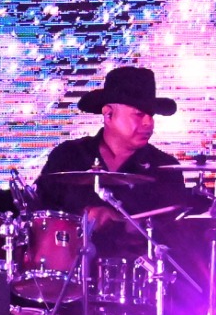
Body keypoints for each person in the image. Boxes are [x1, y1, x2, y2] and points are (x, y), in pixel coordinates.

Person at [34, 64, 192, 221]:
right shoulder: (67, 156)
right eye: (139, 114)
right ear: (109, 114)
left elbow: (173, 229)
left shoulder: (164, 168)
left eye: (151, 115)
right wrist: (81, 215)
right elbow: (37, 210)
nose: (148, 123)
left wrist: (121, 222)